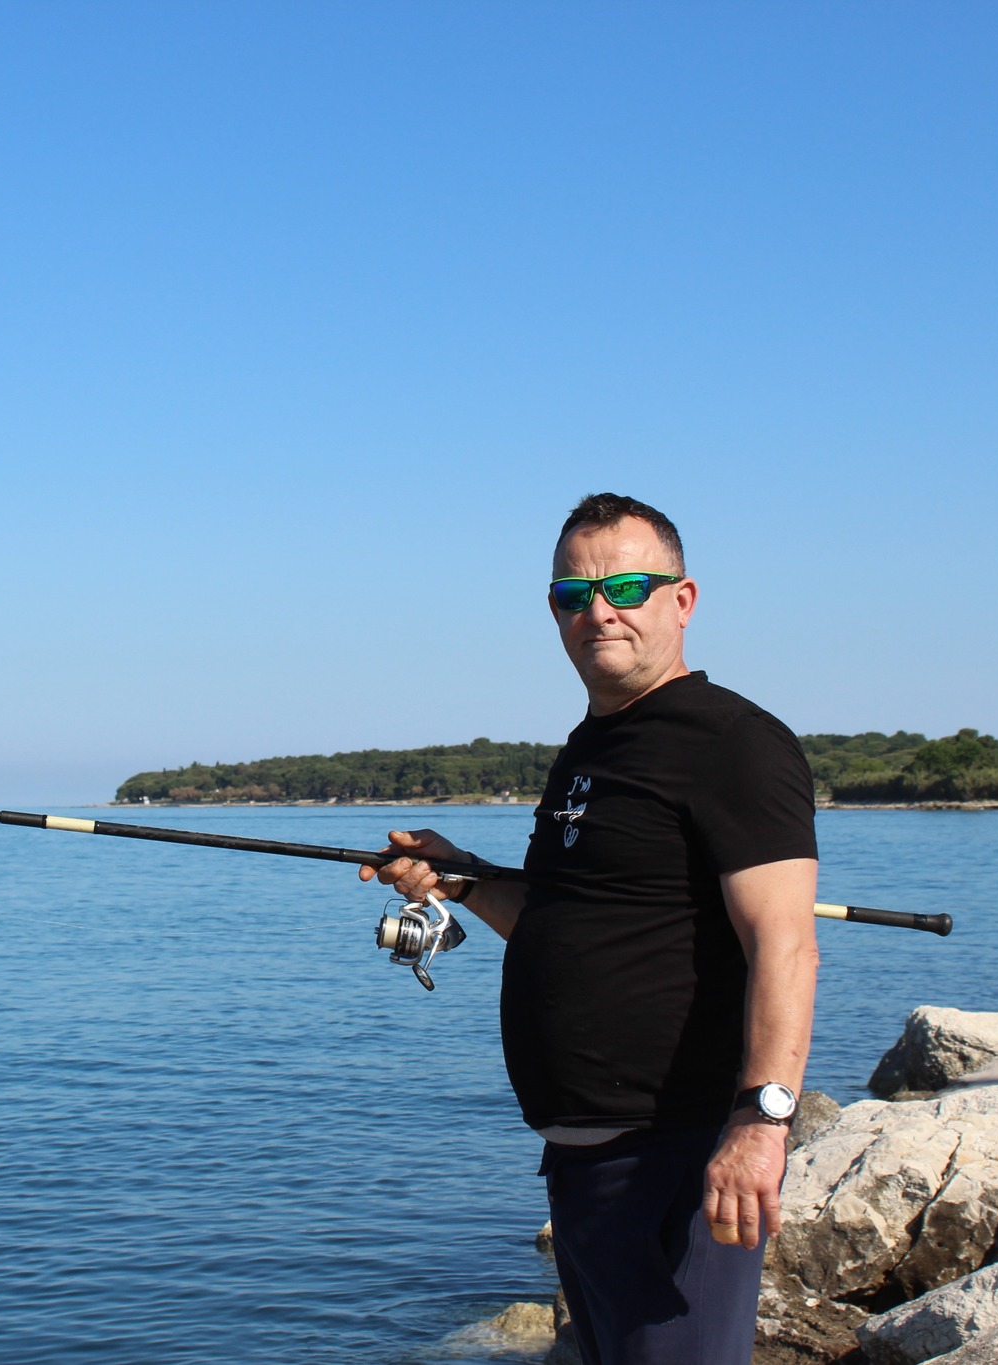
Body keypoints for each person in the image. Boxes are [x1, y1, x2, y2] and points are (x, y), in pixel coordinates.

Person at [361, 492, 819, 1365]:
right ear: (554, 610)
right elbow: (561, 919)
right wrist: (462, 877)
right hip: (579, 1167)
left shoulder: (735, 741)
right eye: (574, 594)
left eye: (627, 587)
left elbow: (786, 944)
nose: (599, 610)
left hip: (676, 1160)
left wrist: (762, 1123)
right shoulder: (589, 748)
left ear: (683, 600)